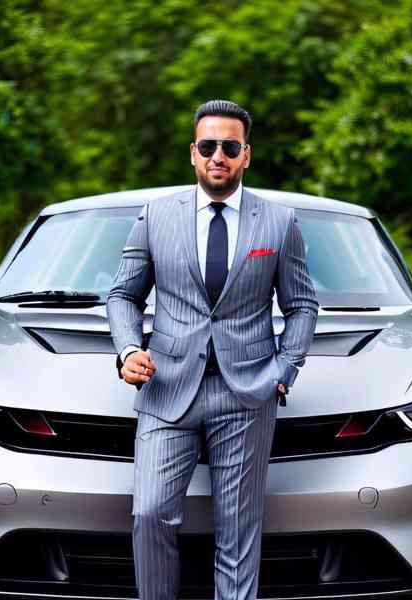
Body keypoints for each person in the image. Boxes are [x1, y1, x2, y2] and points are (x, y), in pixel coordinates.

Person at [106, 99, 318, 600]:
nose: (217, 156)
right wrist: (128, 349)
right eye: (207, 146)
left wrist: (284, 369)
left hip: (246, 393)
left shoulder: (279, 222)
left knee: (238, 532)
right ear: (193, 153)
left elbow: (303, 305)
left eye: (229, 146)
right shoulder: (156, 216)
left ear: (246, 155)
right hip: (166, 389)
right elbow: (122, 296)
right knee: (149, 513)